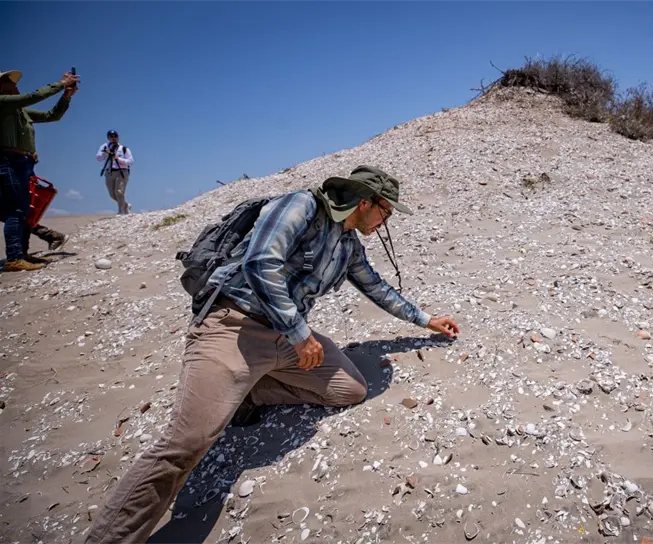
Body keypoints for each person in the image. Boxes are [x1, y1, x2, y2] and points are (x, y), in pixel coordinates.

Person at [85, 165, 461, 544]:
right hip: (233, 326)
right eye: (386, 211)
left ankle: (248, 391)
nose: (386, 221)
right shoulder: (301, 206)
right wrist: (299, 334)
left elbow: (376, 288)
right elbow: (260, 262)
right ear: (365, 202)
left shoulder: (348, 246)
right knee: (185, 446)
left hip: (286, 337)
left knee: (350, 390)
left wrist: (427, 320)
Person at [0, 68, 79, 271]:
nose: (15, 85)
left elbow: (53, 115)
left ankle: (22, 254)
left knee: (25, 210)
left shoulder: (20, 111)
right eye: (9, 81)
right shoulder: (3, 103)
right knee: (15, 210)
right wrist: (60, 83)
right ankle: (14, 258)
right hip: (8, 162)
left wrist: (66, 97)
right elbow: (32, 97)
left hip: (23, 163)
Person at [96, 129, 133, 214]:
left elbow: (131, 161)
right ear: (108, 138)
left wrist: (118, 159)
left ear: (118, 137)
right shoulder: (104, 147)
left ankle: (121, 211)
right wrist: (106, 153)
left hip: (122, 171)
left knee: (119, 192)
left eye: (115, 136)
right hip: (109, 172)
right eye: (111, 136)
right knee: (112, 194)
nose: (114, 138)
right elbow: (98, 158)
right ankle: (126, 205)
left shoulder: (124, 149)